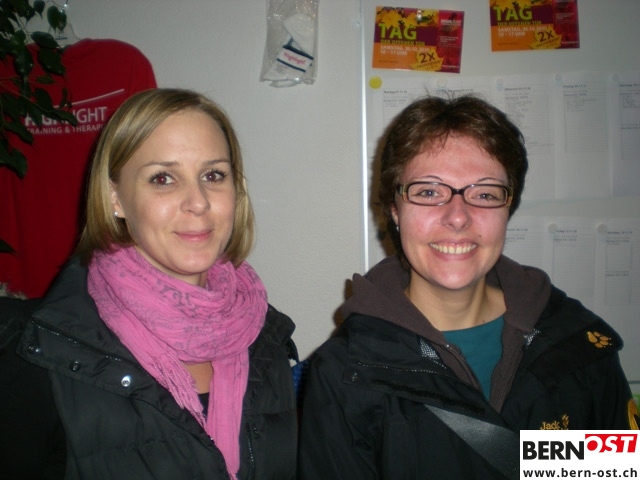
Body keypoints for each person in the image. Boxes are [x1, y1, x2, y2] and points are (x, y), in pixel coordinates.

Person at [298, 94, 638, 479]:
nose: (458, 217)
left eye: (484, 194)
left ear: (508, 208)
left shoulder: (578, 347)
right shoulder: (345, 374)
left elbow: (613, 471)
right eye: (429, 192)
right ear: (394, 210)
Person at [0, 88, 298, 480]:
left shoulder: (264, 334)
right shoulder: (38, 352)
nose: (198, 201)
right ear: (115, 197)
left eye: (213, 175)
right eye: (163, 178)